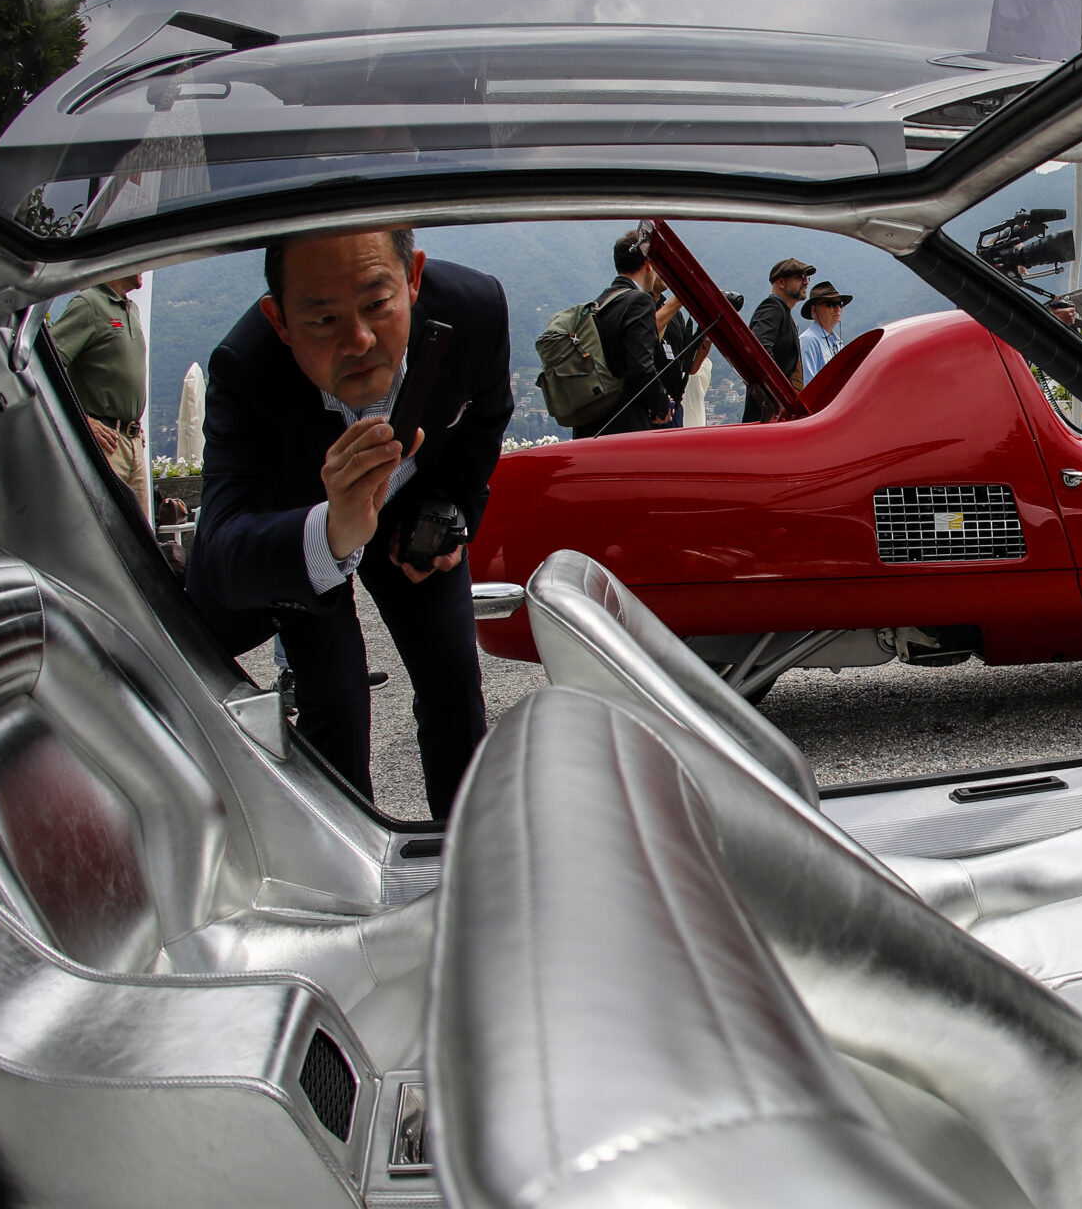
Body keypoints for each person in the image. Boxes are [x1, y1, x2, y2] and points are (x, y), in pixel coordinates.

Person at [187, 227, 513, 820]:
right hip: (311, 527)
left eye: (377, 304)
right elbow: (220, 551)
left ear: (412, 279)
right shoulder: (247, 368)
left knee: (454, 678)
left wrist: (451, 511)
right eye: (323, 321)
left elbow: (486, 416)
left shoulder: (474, 310)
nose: (359, 340)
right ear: (280, 321)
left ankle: (468, 854)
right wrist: (333, 528)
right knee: (333, 697)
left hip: (411, 516)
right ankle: (350, 882)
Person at [49, 270, 150, 502]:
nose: (144, 267)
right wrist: (82, 420)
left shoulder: (131, 309)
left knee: (139, 534)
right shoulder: (89, 303)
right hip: (106, 443)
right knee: (111, 529)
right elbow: (47, 365)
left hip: (133, 442)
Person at [573, 227, 677, 440]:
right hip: (625, 426)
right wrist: (661, 405)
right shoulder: (640, 301)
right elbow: (641, 366)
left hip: (593, 423)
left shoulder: (601, 303)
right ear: (649, 266)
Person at [743, 257, 814, 422]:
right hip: (768, 415)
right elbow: (759, 350)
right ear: (781, 283)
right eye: (799, 277)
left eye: (806, 277)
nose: (806, 282)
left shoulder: (783, 312)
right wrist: (779, 395)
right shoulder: (772, 308)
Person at [796, 280, 853, 382]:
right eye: (831, 304)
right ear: (814, 310)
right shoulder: (808, 341)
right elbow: (808, 385)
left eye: (840, 304)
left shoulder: (838, 344)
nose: (837, 309)